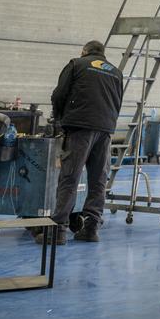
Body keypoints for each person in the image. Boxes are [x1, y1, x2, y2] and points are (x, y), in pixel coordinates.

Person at [43, 40, 124, 244]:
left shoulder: (76, 64)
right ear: (102, 54)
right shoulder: (116, 72)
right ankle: (91, 228)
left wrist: (59, 118)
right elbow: (118, 102)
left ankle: (58, 230)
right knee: (98, 181)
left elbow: (59, 94)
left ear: (84, 51)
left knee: (70, 177)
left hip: (80, 128)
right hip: (105, 130)